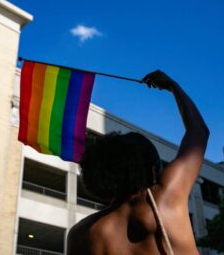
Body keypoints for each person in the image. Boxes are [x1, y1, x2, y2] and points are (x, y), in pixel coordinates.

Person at [66, 70, 209, 255]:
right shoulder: (165, 198)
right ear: (151, 171)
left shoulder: (81, 234)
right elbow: (198, 132)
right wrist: (173, 87)